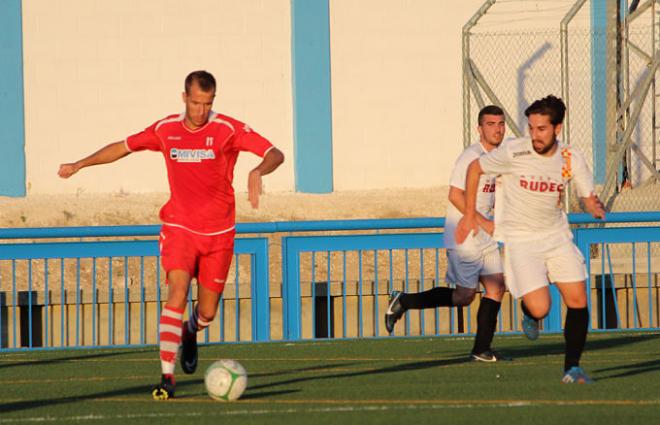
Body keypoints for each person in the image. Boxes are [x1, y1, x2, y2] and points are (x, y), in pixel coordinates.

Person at [58, 70, 284, 399]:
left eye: (208, 104)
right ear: (184, 98)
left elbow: (274, 153)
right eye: (195, 103)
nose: (201, 111)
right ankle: (167, 377)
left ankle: (191, 331)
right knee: (177, 291)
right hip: (179, 227)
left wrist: (257, 170)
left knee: (207, 312)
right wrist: (80, 164)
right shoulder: (166, 130)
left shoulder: (228, 129)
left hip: (219, 233)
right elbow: (123, 147)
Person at [456, 95, 605, 383]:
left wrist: (591, 204)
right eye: (531, 128)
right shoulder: (514, 151)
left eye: (541, 129)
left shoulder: (570, 157)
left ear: (557, 128)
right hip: (521, 240)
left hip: (556, 236)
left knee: (577, 300)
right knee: (541, 307)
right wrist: (470, 215)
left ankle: (572, 368)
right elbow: (475, 169)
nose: (534, 135)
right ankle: (528, 311)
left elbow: (586, 194)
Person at [385, 105, 509, 362]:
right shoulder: (470, 157)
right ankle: (405, 301)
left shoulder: (501, 157)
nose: (496, 129)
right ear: (479, 128)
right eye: (490, 124)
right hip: (464, 234)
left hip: (484, 232)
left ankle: (481, 349)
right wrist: (481, 221)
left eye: (500, 124)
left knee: (497, 287)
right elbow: (454, 195)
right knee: (464, 296)